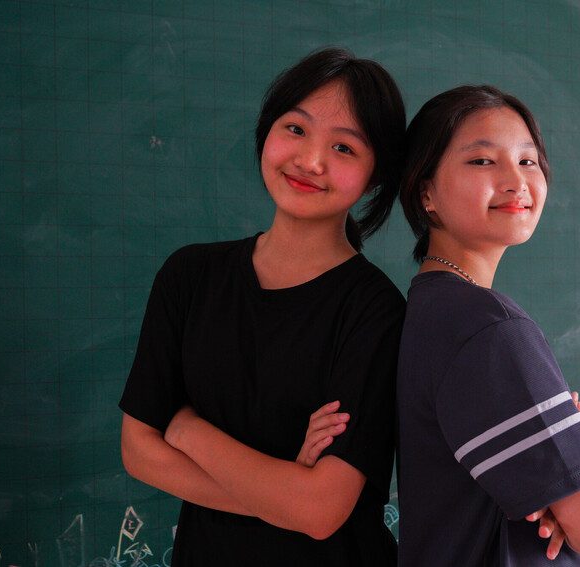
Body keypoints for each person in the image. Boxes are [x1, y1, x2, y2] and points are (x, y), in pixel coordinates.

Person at [118, 47, 406, 566]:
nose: (310, 161)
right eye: (295, 129)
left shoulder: (375, 309)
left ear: (375, 176)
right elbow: (138, 450)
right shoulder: (189, 276)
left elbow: (321, 511)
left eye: (344, 148)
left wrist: (186, 429)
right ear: (267, 132)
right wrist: (282, 495)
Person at [396, 85, 580, 566]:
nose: (516, 181)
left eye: (527, 160)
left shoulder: (429, 308)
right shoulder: (488, 330)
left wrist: (579, 466)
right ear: (426, 192)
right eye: (482, 161)